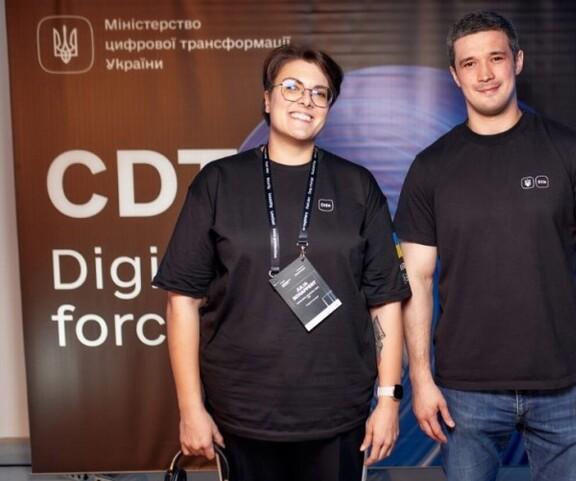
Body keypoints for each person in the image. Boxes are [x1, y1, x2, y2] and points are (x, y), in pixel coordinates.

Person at [153, 44, 410, 481]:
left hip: (338, 413)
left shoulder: (356, 186)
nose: (305, 101)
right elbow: (182, 302)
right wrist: (190, 408)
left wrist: (387, 400)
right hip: (242, 414)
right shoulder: (218, 182)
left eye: (319, 93)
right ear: (267, 99)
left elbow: (384, 300)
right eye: (291, 87)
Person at [394, 10, 576, 481]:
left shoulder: (569, 150)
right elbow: (414, 278)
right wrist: (419, 377)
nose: (485, 73)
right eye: (470, 63)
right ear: (455, 76)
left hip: (566, 386)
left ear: (517, 61)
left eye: (496, 58)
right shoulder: (431, 167)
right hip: (465, 392)